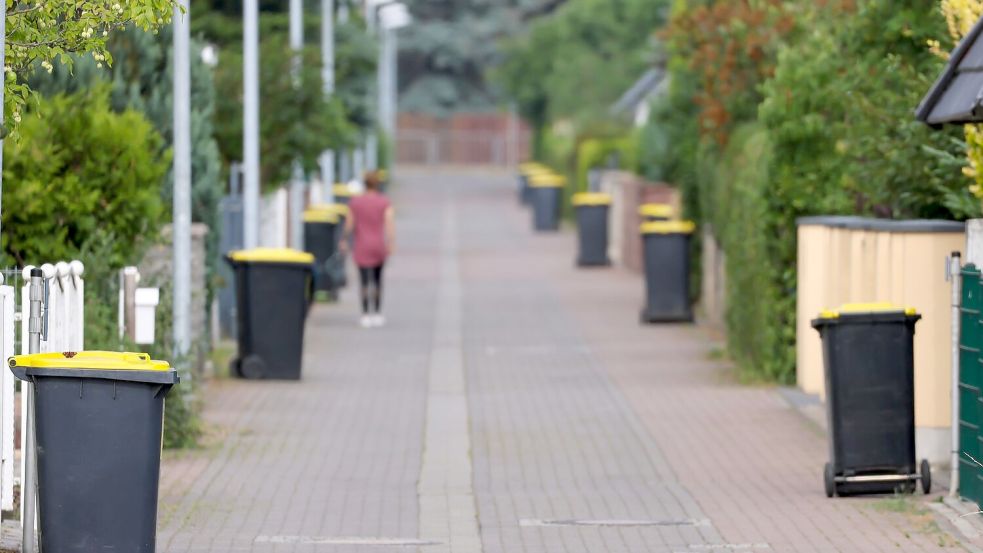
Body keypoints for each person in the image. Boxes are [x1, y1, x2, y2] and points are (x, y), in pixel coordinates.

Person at [341, 171, 394, 328]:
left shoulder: (355, 203)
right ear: (378, 184)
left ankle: (365, 314)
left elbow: (349, 224)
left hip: (361, 246)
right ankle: (377, 313)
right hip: (378, 245)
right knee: (377, 280)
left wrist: (344, 239)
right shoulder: (384, 202)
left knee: (364, 281)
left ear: (364, 184)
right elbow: (389, 224)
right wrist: (391, 242)